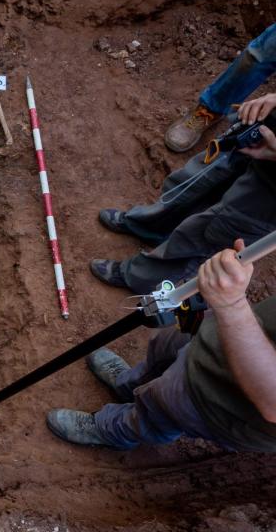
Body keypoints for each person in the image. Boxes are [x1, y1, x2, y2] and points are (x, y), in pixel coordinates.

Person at [90, 22, 276, 294]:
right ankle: (149, 224)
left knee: (218, 227)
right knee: (204, 177)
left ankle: (141, 277)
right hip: (266, 128)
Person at [47, 240, 276, 451]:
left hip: (227, 397)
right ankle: (126, 384)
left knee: (163, 407)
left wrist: (233, 305)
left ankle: (113, 429)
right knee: (162, 351)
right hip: (225, 331)